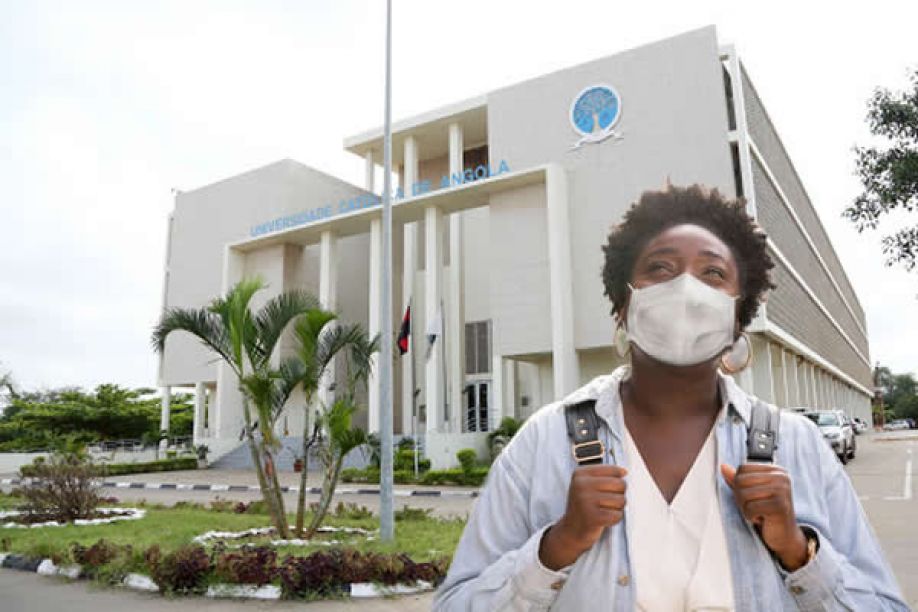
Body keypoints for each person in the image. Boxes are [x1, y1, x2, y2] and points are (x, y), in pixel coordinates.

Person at [433, 185, 907, 611]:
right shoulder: (545, 441)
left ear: (738, 316)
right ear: (623, 305)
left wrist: (798, 552)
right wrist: (556, 547)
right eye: (660, 268)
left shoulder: (797, 445)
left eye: (713, 272)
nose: (686, 289)